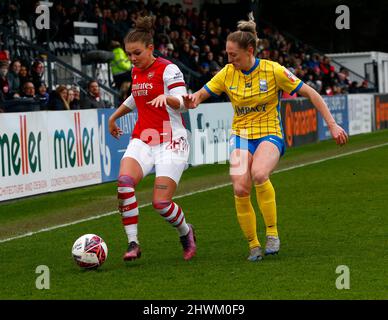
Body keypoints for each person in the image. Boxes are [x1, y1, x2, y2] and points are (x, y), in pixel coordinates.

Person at [183, 19, 348, 262]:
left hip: (270, 133)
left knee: (259, 173)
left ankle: (272, 233)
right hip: (240, 136)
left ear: (249, 51)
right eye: (227, 55)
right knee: (240, 186)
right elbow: (200, 95)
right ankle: (253, 245)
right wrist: (192, 99)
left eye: (234, 55)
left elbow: (311, 92)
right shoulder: (228, 73)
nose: (230, 60)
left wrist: (332, 125)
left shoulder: (274, 70)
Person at [108, 16, 196, 262]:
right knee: (124, 182)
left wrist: (167, 99)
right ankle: (133, 243)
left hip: (171, 141)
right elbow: (136, 98)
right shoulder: (136, 71)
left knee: (161, 203)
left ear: (150, 48)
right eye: (129, 55)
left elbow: (183, 102)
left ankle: (186, 233)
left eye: (136, 53)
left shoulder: (169, 69)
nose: (132, 59)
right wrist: (114, 117)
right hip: (143, 139)